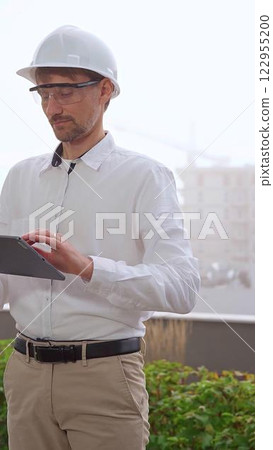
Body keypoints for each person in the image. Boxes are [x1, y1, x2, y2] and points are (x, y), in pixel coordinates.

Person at [0, 25, 200, 450]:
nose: (52, 106)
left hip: (105, 379)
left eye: (66, 92)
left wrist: (85, 267)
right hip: (25, 376)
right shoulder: (19, 177)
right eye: (43, 93)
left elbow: (182, 289)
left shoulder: (147, 176)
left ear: (105, 90)